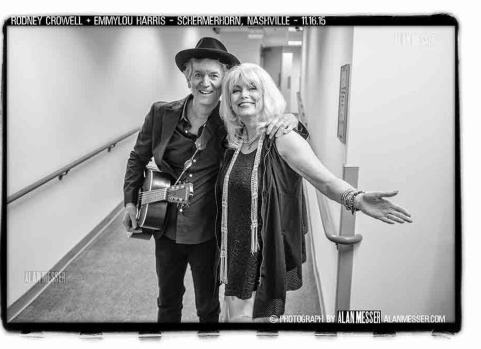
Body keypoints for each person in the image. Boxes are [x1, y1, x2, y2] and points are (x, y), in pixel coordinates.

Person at [217, 63, 413, 322]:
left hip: (262, 257)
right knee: (232, 318)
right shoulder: (234, 142)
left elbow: (326, 182)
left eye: (252, 88)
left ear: (266, 95)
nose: (243, 95)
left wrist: (357, 198)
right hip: (234, 254)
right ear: (229, 101)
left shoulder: (282, 139)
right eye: (236, 90)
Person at [122, 38, 299, 323]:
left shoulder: (234, 121)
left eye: (214, 76)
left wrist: (291, 120)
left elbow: (267, 125)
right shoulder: (160, 113)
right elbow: (137, 158)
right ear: (187, 77)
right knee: (167, 302)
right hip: (164, 228)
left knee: (208, 307)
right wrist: (130, 202)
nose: (205, 82)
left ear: (224, 80)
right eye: (198, 74)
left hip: (210, 233)